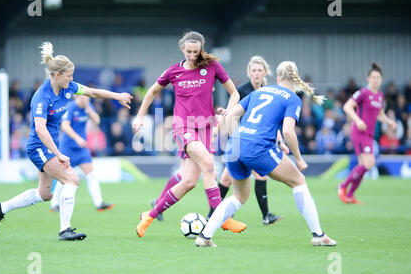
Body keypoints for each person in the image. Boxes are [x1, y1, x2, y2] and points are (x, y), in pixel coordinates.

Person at [0, 41, 132, 241]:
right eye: (69, 75)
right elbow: (40, 129)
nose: (72, 79)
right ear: (57, 75)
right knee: (72, 179)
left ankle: (0, 208)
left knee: (44, 195)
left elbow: (92, 92)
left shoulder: (68, 88)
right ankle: (65, 230)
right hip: (39, 146)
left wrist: (117, 96)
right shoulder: (41, 97)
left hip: (48, 147)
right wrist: (58, 154)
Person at [195, 61, 337, 248]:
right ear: (295, 79)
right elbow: (288, 131)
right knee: (299, 181)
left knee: (239, 196)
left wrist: (236, 141)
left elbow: (229, 117)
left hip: (235, 146)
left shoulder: (258, 92)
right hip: (258, 147)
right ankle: (318, 235)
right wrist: (299, 158)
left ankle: (205, 236)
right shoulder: (293, 98)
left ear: (277, 78)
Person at [132, 31, 247, 237]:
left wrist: (227, 113)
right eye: (188, 51)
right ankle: (222, 218)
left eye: (196, 51)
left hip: (206, 127)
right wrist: (140, 116)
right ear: (182, 49)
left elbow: (235, 93)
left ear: (201, 49)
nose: (192, 55)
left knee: (188, 183)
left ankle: (149, 216)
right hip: (183, 127)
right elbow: (151, 92)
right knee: (209, 164)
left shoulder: (211, 67)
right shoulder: (173, 71)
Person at [208, 55, 284, 226]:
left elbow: (272, 121)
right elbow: (229, 114)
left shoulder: (269, 91)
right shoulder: (241, 91)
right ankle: (264, 216)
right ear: (248, 72)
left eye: (259, 70)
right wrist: (218, 134)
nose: (256, 73)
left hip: (257, 142)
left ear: (265, 72)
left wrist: (280, 140)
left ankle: (212, 215)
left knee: (232, 179)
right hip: (241, 141)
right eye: (253, 70)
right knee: (240, 178)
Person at [338, 63, 396, 204]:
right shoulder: (363, 93)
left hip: (369, 135)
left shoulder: (380, 96)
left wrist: (389, 121)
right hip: (359, 132)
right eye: (373, 77)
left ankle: (350, 196)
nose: (376, 80)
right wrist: (357, 120)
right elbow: (347, 106)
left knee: (362, 168)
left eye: (378, 77)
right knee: (369, 164)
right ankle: (343, 186)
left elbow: (379, 114)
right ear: (368, 79)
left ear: (381, 80)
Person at [50, 94, 115, 212]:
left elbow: (97, 120)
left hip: (81, 148)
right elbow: (65, 126)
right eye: (84, 97)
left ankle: (99, 203)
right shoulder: (70, 108)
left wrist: (89, 108)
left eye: (88, 97)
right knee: (63, 177)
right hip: (68, 147)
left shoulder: (88, 106)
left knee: (91, 174)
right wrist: (77, 138)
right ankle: (54, 204)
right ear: (76, 97)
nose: (87, 99)